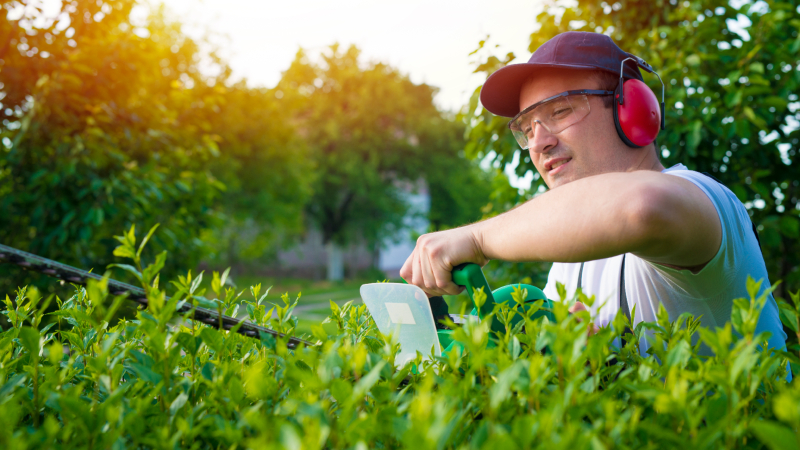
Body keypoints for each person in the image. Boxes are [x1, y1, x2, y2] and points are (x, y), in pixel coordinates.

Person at [399, 31, 787, 355]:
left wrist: (477, 238)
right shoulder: (571, 257)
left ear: (632, 109)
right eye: (527, 128)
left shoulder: (703, 199)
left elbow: (642, 207)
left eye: (560, 112)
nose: (540, 143)